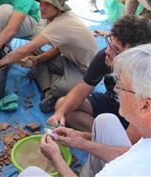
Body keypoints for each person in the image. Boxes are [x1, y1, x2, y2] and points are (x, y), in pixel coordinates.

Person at [24, 44, 151, 177]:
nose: (115, 90)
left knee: (29, 174)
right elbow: (126, 153)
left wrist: (56, 158)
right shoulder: (145, 139)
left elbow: (127, 159)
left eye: (121, 87)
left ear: (145, 106)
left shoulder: (132, 166)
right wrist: (79, 140)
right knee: (105, 120)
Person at [0, 0, 98, 113]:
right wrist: (38, 59)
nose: (41, 7)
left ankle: (50, 89)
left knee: (58, 88)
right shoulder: (56, 17)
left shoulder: (62, 23)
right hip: (69, 60)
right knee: (36, 55)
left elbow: (24, 50)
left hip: (86, 71)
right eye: (41, 3)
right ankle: (48, 88)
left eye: (47, 4)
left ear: (58, 7)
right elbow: (59, 48)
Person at [48, 15, 151, 143]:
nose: (107, 51)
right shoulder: (106, 56)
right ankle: (104, 138)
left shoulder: (145, 79)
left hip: (133, 118)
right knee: (62, 106)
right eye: (109, 42)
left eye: (116, 50)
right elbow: (83, 87)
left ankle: (107, 140)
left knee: (126, 144)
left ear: (135, 56)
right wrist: (60, 113)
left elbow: (131, 139)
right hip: (112, 104)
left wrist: (80, 139)